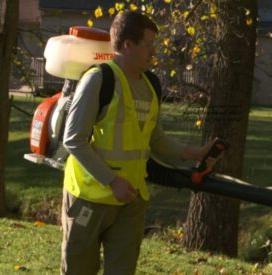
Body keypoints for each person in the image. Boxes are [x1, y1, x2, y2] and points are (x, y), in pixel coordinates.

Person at [61, 11, 214, 275]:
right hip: (89, 198)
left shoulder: (151, 84)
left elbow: (154, 138)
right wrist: (112, 181)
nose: (153, 52)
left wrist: (193, 153)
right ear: (127, 45)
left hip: (131, 200)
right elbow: (73, 139)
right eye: (148, 44)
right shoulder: (98, 79)